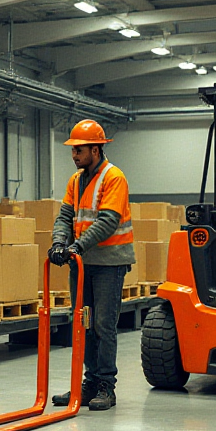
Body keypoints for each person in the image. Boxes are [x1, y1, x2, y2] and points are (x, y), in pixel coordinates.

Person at [48, 119, 135, 412]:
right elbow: (64, 216)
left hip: (109, 264)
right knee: (82, 323)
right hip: (82, 262)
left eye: (79, 150)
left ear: (96, 150)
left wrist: (76, 246)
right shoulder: (75, 180)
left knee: (103, 325)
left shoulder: (114, 178)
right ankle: (88, 383)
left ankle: (105, 387)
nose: (74, 155)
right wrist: (60, 242)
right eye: (73, 150)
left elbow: (108, 221)